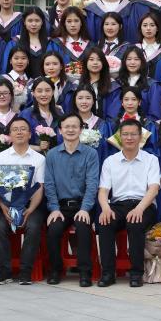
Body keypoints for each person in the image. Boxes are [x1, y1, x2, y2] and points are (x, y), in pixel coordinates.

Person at [95, 119, 161, 287]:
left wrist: (139, 209)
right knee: (105, 222)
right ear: (119, 137)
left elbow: (154, 189)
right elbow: (103, 190)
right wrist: (105, 208)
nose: (129, 138)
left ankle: (136, 273)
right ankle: (108, 273)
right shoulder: (110, 161)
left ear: (140, 137)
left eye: (133, 134)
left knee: (135, 223)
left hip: (144, 205)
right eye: (125, 134)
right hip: (118, 205)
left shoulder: (151, 160)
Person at [44, 114, 100, 287]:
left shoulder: (91, 154)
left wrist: (85, 208)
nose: (70, 130)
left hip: (83, 205)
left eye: (74, 126)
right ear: (60, 130)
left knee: (83, 228)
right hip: (60, 206)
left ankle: (85, 272)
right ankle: (56, 270)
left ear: (81, 130)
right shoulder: (52, 155)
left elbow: (92, 184)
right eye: (66, 127)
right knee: (53, 230)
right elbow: (49, 184)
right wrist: (54, 208)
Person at [0, 116, 47, 285]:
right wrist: (3, 207)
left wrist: (30, 210)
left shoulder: (39, 158)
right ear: (9, 135)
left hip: (30, 205)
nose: (19, 132)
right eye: (15, 129)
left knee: (34, 226)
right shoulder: (0, 157)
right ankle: (4, 271)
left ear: (30, 134)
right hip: (6, 204)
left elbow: (39, 187)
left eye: (23, 129)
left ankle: (25, 271)